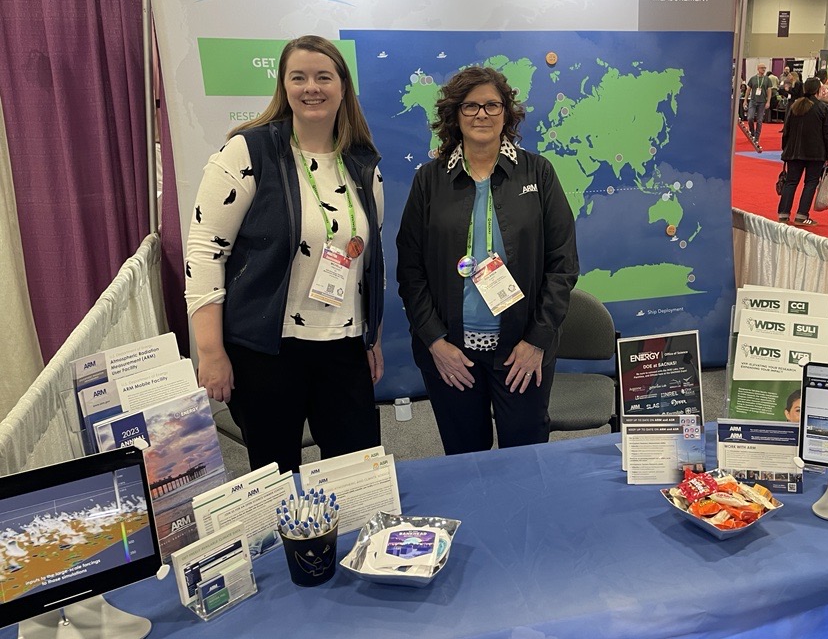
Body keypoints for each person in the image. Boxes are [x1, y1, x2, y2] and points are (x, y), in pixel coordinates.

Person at [185, 35, 385, 474]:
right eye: (299, 77)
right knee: (276, 476)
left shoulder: (362, 162)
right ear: (284, 86)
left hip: (344, 348)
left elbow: (368, 263)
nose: (311, 87)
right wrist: (210, 351)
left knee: (356, 472)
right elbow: (204, 254)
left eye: (323, 77)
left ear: (342, 87)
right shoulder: (248, 151)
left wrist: (372, 337)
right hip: (267, 352)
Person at [396, 66, 579, 455]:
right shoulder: (429, 180)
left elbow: (562, 265)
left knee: (526, 457)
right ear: (454, 115)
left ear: (506, 114)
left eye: (492, 105)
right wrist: (435, 342)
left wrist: (536, 341)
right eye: (470, 106)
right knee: (465, 460)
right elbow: (410, 271)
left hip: (521, 351)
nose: (482, 114)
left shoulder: (538, 172)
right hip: (452, 353)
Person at [778, 78, 828, 226]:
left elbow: (786, 131)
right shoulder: (822, 108)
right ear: (818, 90)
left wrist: (785, 149)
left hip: (794, 151)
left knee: (791, 182)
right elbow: (827, 134)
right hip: (815, 153)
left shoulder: (795, 106)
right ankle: (802, 215)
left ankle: (783, 214)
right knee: (810, 183)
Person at [744, 63, 773, 143]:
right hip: (753, 101)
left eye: (764, 68)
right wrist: (745, 100)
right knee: (750, 118)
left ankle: (757, 137)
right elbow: (748, 90)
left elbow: (769, 91)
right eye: (762, 68)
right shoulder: (753, 79)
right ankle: (752, 133)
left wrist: (768, 102)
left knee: (759, 120)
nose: (763, 69)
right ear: (758, 69)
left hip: (762, 102)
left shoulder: (767, 79)